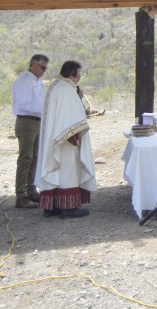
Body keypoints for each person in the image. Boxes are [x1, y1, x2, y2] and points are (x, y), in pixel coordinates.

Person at [35, 60, 97, 218]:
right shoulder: (67, 90)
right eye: (78, 76)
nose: (78, 80)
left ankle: (51, 207)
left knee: (54, 170)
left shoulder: (55, 86)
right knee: (68, 172)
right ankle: (68, 208)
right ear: (72, 75)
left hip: (52, 137)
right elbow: (73, 118)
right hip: (66, 139)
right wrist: (75, 136)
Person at [11, 54, 49, 209]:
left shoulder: (37, 81)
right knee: (25, 158)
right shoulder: (25, 80)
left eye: (46, 68)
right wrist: (46, 109)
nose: (44, 71)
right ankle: (20, 195)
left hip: (36, 121)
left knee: (34, 157)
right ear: (33, 64)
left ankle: (31, 190)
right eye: (42, 67)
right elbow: (23, 105)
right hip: (26, 120)